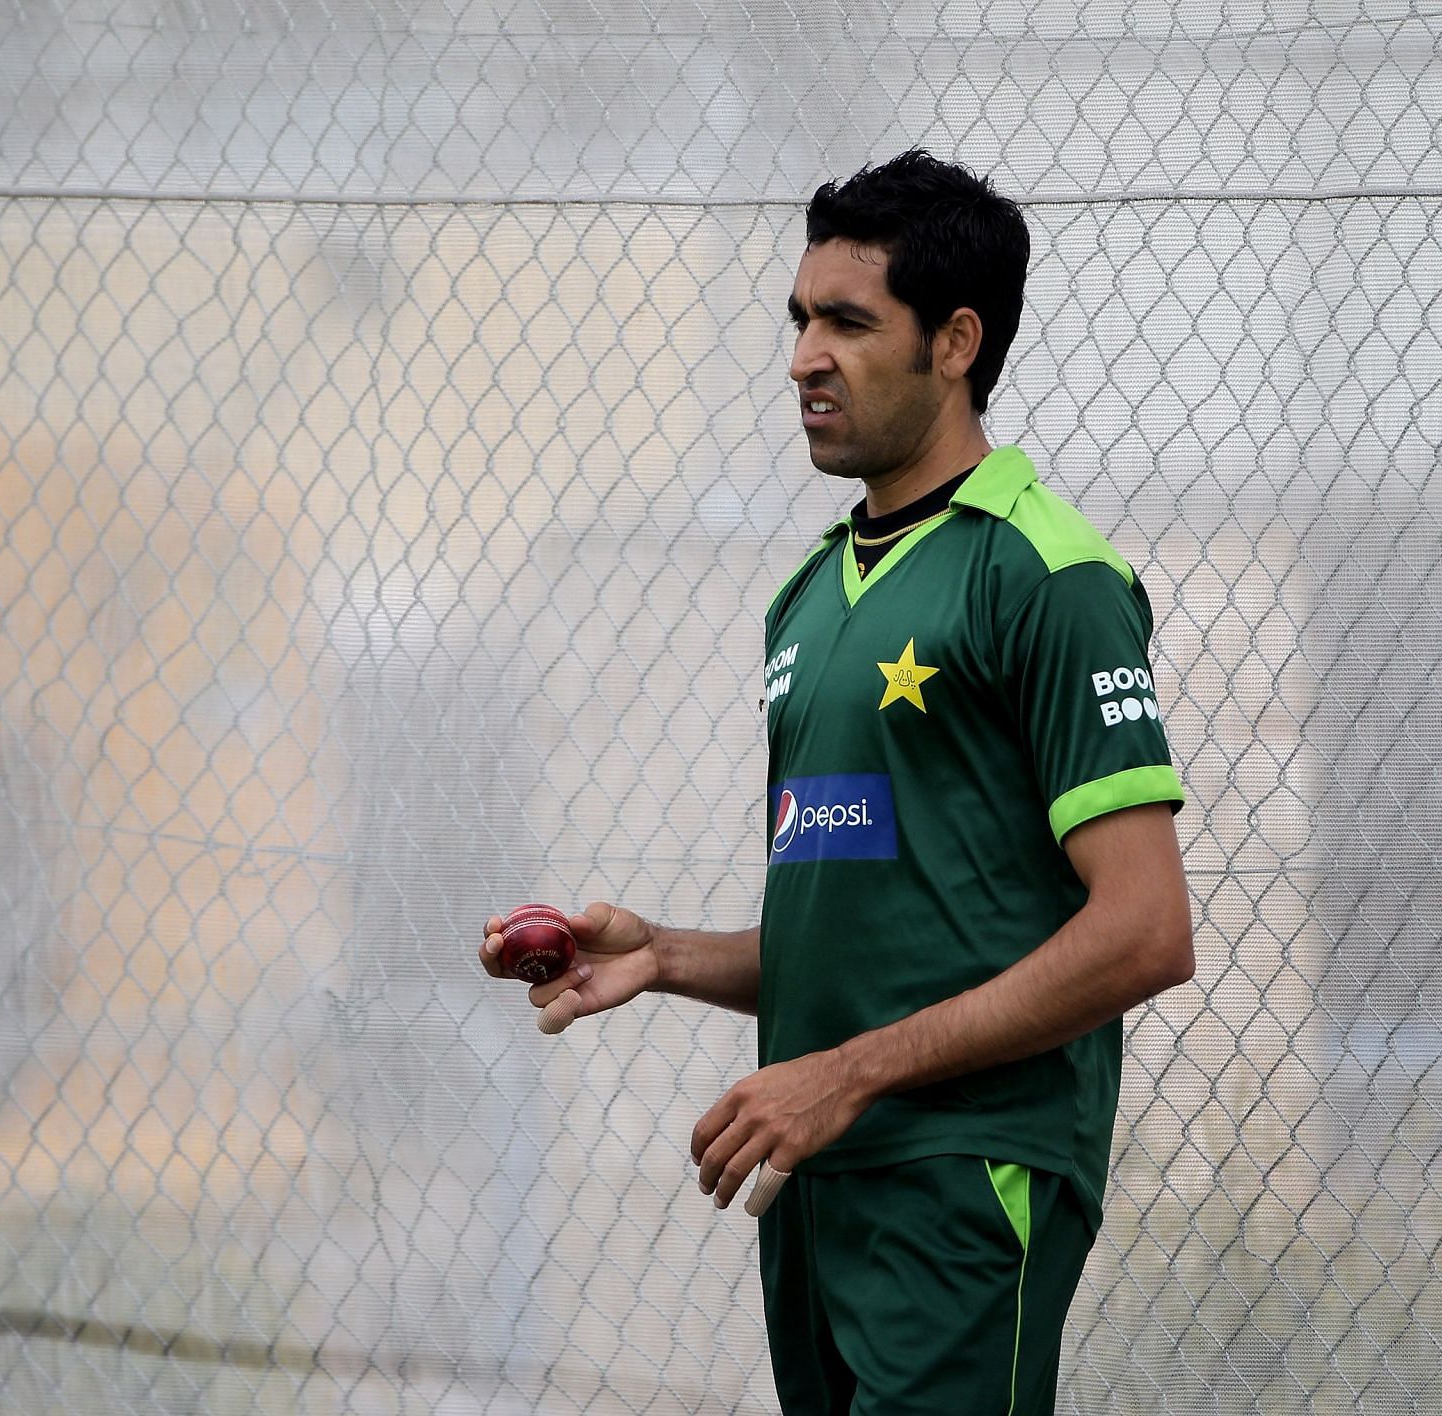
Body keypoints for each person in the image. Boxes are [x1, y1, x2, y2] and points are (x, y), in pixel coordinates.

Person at [479, 149, 1194, 1415]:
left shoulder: (1048, 576)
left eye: (848, 323)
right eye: (801, 319)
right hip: (813, 1177)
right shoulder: (806, 597)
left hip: (967, 1174)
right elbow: (883, 926)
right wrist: (663, 957)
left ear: (955, 342)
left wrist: (848, 1072)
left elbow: (1144, 931)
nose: (804, 355)